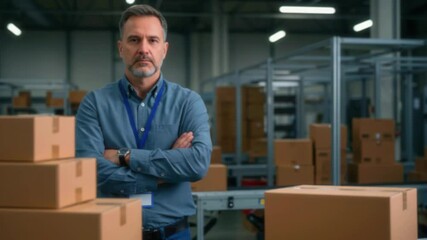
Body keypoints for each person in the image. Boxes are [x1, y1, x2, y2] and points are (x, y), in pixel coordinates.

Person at [75, 4, 212, 240]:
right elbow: (88, 170)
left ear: (165, 49)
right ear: (121, 48)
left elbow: (197, 163)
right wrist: (162, 174)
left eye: (153, 40)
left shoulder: (188, 102)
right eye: (134, 40)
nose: (144, 49)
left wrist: (124, 156)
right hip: (113, 233)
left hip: (173, 234)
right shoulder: (95, 103)